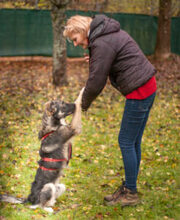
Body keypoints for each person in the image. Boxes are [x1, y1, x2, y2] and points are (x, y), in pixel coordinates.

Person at [63, 14, 157, 206]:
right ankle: (130, 187)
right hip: (147, 86)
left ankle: (130, 192)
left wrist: (80, 105)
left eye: (75, 39)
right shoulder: (104, 35)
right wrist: (97, 58)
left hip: (139, 90)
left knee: (126, 140)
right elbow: (110, 59)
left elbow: (96, 82)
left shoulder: (101, 42)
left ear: (82, 30)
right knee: (133, 141)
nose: (75, 44)